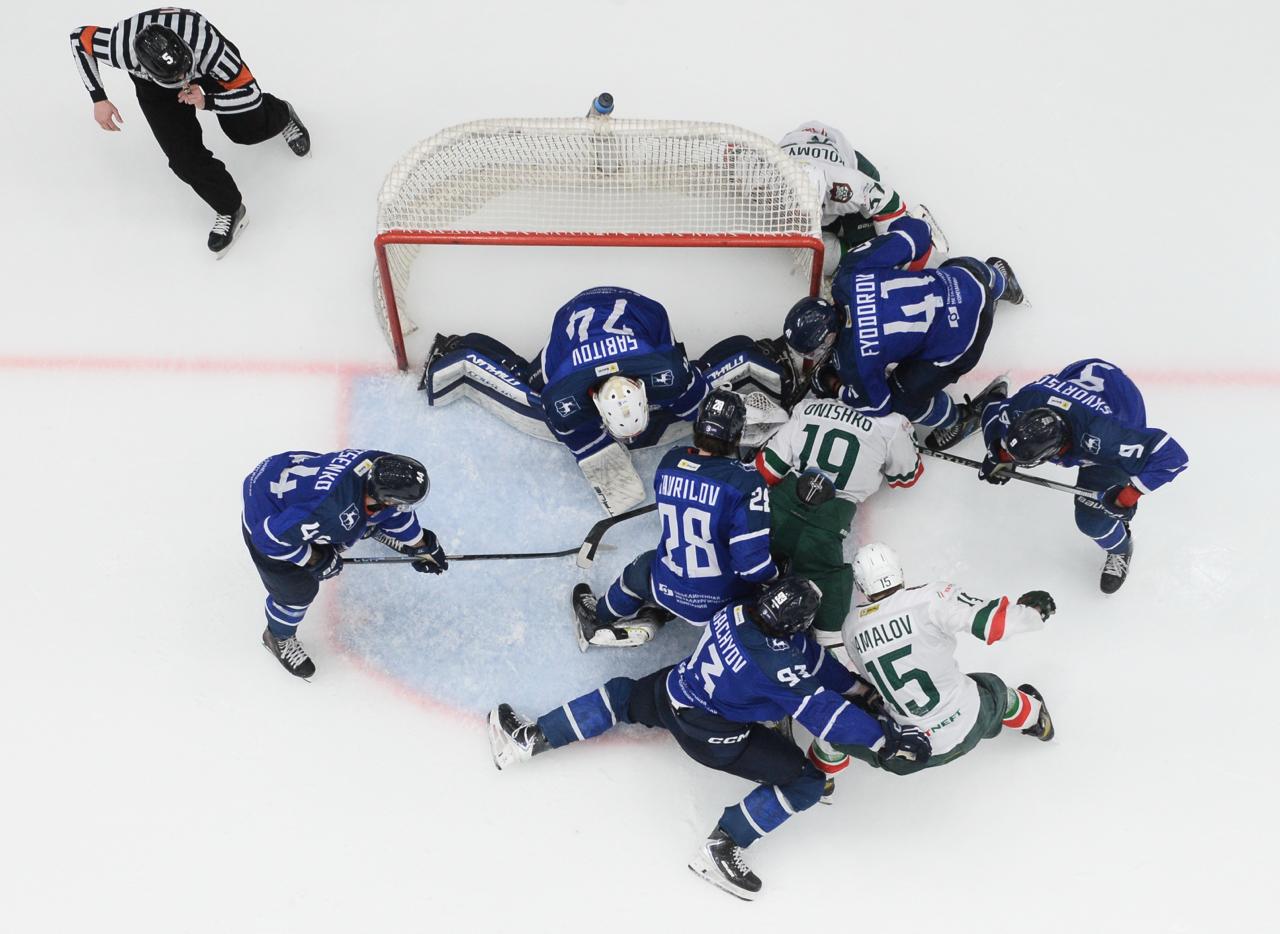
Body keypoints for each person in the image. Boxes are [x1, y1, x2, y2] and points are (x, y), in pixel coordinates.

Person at [487, 577, 932, 900]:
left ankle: (529, 738)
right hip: (715, 737)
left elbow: (808, 658)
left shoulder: (738, 610)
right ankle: (723, 845)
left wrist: (856, 688)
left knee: (622, 695)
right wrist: (883, 739)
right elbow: (824, 712)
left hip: (672, 692)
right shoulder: (777, 667)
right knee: (807, 782)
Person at [424, 286, 789, 515]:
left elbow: (702, 404)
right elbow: (591, 446)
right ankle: (457, 348)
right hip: (570, 321)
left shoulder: (664, 370)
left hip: (642, 311)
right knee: (533, 386)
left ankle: (760, 351)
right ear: (594, 401)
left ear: (643, 387)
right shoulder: (563, 393)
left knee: (691, 375)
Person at [808, 543, 1056, 784]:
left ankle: (820, 780)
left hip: (910, 751)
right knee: (995, 690)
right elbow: (993, 624)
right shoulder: (931, 598)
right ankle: (1037, 721)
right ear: (900, 573)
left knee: (832, 728)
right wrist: (1032, 611)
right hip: (971, 720)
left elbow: (872, 678)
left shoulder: (852, 625)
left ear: (861, 585)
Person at [70, 9, 310, 256]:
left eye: (184, 75)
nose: (183, 82)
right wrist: (98, 97)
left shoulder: (211, 50)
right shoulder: (119, 48)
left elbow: (251, 95)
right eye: (176, 80)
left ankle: (282, 114)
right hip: (154, 86)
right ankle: (230, 208)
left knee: (245, 130)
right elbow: (78, 38)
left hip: (203, 69)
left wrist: (207, 101)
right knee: (183, 158)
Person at [781, 216, 1022, 443]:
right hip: (969, 281)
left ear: (828, 337)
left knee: (901, 402)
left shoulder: (852, 359)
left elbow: (877, 406)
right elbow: (918, 232)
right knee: (958, 272)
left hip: (967, 341)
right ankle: (1000, 281)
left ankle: (958, 420)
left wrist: (834, 385)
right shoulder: (849, 272)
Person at [572, 389, 778, 649]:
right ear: (737, 435)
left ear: (697, 426)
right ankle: (660, 613)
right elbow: (751, 567)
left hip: (669, 587)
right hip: (723, 603)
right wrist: (776, 577)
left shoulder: (670, 461)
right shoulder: (747, 482)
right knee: (767, 570)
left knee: (639, 570)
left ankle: (600, 617)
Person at [976, 358, 1189, 593]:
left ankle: (1120, 549)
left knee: (1092, 522)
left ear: (1057, 450)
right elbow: (994, 413)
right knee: (996, 437)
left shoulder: (1107, 439)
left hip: (1119, 406)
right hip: (1075, 382)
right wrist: (998, 454)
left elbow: (1172, 457)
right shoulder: (1023, 405)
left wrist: (1127, 495)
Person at [241, 450, 447, 678]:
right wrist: (316, 559)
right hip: (267, 519)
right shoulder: (329, 511)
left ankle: (368, 528)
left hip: (284, 474)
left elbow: (395, 512)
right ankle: (277, 636)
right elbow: (266, 539)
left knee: (353, 522)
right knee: (298, 591)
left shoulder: (379, 464)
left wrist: (421, 545)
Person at [754, 397, 922, 640]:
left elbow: (766, 470)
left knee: (740, 556)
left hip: (778, 508)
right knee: (832, 604)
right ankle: (826, 649)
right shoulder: (893, 425)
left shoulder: (807, 406)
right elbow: (906, 478)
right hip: (825, 528)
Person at [779, 120, 946, 275]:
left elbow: (888, 202)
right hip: (812, 170)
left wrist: (894, 249)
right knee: (823, 260)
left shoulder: (846, 186)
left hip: (848, 172)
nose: (799, 214)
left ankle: (916, 224)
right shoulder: (770, 180)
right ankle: (855, 245)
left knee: (875, 242)